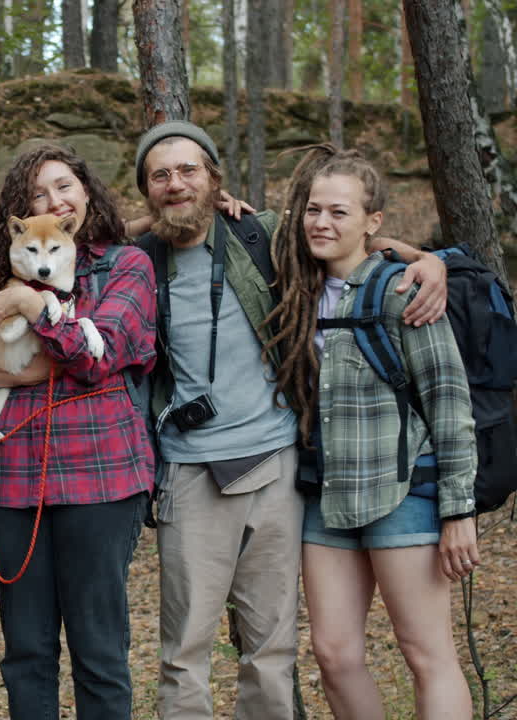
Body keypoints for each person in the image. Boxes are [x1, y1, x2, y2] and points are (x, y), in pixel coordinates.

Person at [132, 122, 448, 720]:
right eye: (161, 175)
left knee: (273, 649)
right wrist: (144, 224)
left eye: (189, 171)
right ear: (146, 190)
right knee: (184, 652)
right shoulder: (137, 261)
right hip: (189, 471)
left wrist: (430, 261)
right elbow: (74, 243)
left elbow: (349, 240)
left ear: (215, 179)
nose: (176, 184)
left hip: (277, 466)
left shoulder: (262, 234)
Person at [261, 144, 478, 719]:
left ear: (371, 222)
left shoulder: (401, 289)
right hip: (325, 499)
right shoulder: (296, 290)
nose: (322, 222)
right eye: (313, 210)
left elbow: (448, 401)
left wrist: (458, 511)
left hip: (403, 494)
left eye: (339, 212)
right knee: (333, 654)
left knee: (425, 652)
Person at [0, 144, 156, 718]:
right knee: (27, 651)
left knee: (99, 649)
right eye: (38, 193)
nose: (53, 200)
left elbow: (100, 355)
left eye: (63, 186)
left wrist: (30, 304)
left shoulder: (124, 266)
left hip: (101, 476)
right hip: (13, 478)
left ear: (85, 193)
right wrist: (11, 372)